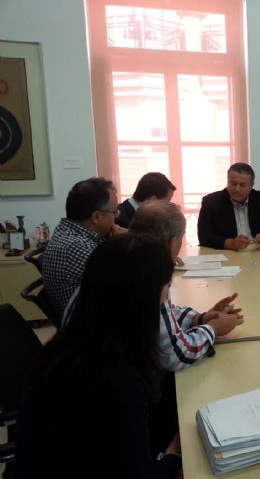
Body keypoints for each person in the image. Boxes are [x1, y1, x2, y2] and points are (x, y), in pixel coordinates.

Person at [16, 234, 182, 478]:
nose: (167, 298)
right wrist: (175, 454)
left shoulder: (71, 346)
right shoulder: (116, 380)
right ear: (142, 299)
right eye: (166, 287)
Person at [127, 201, 244, 371]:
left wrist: (201, 319)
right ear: (172, 242)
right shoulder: (151, 275)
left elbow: (164, 314)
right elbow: (175, 355)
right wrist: (214, 328)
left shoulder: (127, 257)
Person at [42, 177, 126, 318]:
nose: (117, 216)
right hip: (90, 324)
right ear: (96, 217)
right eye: (114, 211)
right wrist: (125, 244)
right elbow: (125, 285)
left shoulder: (69, 231)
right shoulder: (76, 247)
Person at [197, 163, 260, 250]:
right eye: (233, 183)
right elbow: (204, 237)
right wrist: (230, 243)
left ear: (251, 185)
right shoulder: (211, 202)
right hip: (227, 252)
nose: (237, 189)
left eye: (243, 185)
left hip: (258, 251)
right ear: (227, 181)